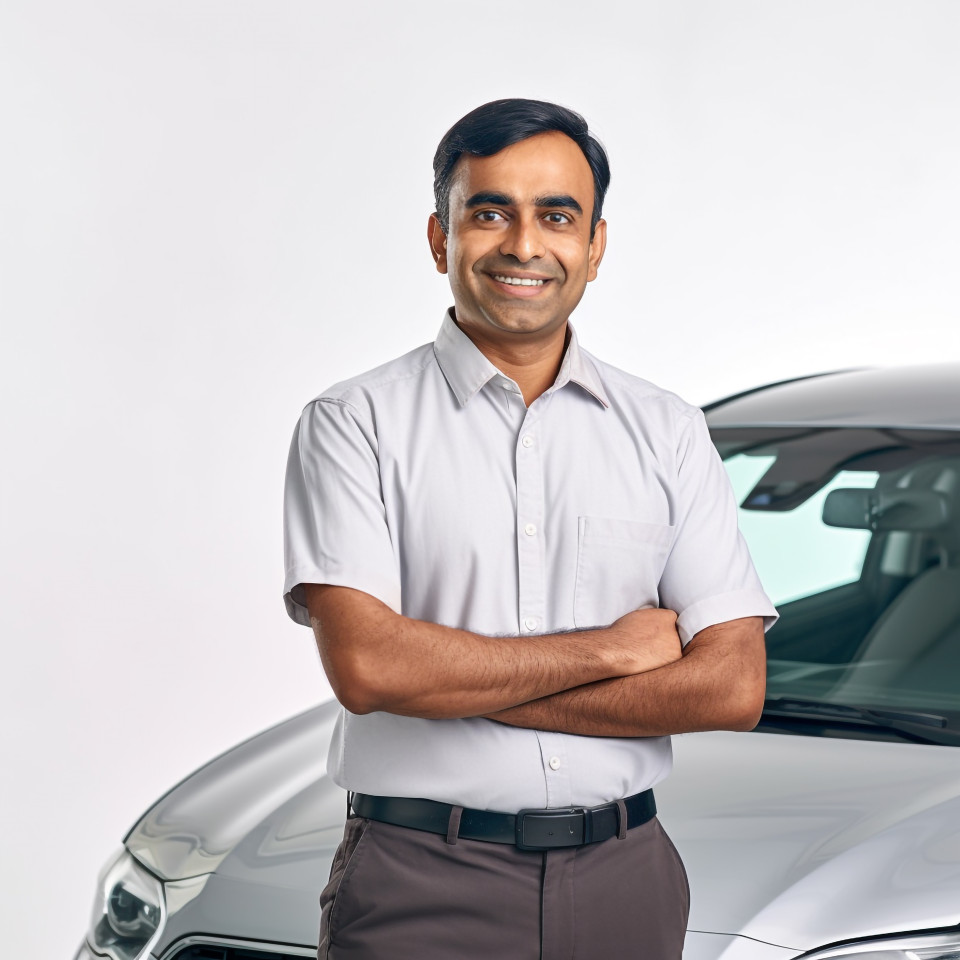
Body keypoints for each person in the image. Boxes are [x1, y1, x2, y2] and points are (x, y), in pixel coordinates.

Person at [283, 98, 777, 960]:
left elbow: (730, 688)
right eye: (489, 212)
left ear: (594, 246)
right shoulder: (352, 422)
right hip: (420, 881)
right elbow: (369, 667)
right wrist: (613, 651)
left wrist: (453, 681)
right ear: (441, 240)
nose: (523, 244)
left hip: (627, 876)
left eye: (556, 215)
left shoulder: (666, 429)